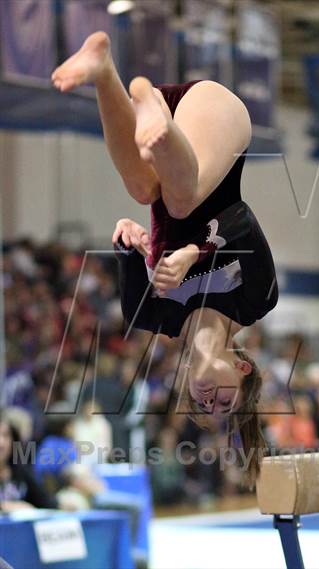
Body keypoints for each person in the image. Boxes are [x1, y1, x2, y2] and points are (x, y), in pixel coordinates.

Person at [51, 31, 279, 485]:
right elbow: (242, 223)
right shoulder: (256, 300)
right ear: (242, 367)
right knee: (181, 203)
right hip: (216, 118)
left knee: (142, 191)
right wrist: (195, 252)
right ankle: (151, 112)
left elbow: (126, 251)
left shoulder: (152, 315)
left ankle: (104, 72)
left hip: (166, 145)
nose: (208, 400)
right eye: (224, 402)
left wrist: (128, 238)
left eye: (202, 406)